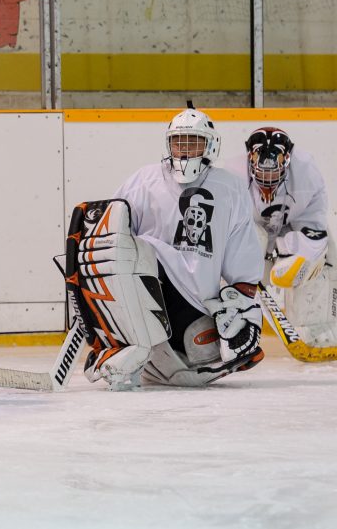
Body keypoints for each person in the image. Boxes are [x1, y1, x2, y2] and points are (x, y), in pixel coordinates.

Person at [65, 106, 264, 390]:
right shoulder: (144, 180)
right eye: (177, 141)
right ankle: (125, 347)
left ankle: (135, 351)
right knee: (119, 250)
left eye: (193, 141)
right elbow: (110, 233)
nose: (184, 150)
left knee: (133, 252)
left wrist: (245, 318)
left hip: (193, 310)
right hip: (148, 299)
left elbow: (243, 264)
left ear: (211, 144)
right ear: (167, 143)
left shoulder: (229, 188)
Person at [224, 127, 337, 346]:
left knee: (328, 256)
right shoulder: (232, 177)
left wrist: (295, 258)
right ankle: (234, 326)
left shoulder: (306, 174)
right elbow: (226, 232)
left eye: (274, 171)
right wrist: (245, 262)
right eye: (261, 170)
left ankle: (316, 328)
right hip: (253, 235)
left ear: (288, 161)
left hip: (291, 231)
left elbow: (315, 228)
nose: (268, 179)